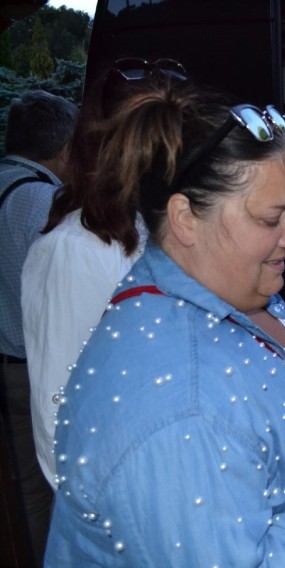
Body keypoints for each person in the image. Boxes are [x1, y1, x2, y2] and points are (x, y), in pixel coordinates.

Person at [44, 78, 285, 566]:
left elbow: (280, 398)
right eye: (271, 219)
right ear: (185, 218)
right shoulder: (182, 407)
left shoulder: (233, 291)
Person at [21, 59, 186, 490]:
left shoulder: (148, 226)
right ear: (113, 148)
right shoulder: (75, 250)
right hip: (121, 496)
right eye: (158, 139)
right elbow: (59, 406)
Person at [0, 89, 78, 567]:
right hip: (35, 371)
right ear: (66, 148)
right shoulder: (44, 200)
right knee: (51, 487)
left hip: (5, 364)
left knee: (20, 489)